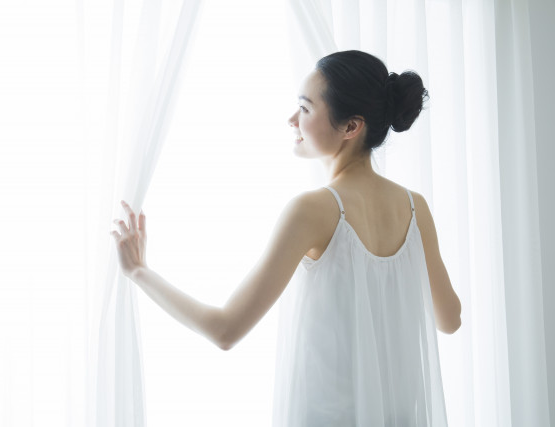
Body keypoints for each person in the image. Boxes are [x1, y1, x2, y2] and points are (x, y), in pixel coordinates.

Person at [110, 49, 462, 426]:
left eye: (305, 108)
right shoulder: (414, 207)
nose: (292, 119)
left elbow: (225, 329)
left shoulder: (312, 210)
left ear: (351, 126)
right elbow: (450, 319)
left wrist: (139, 272)